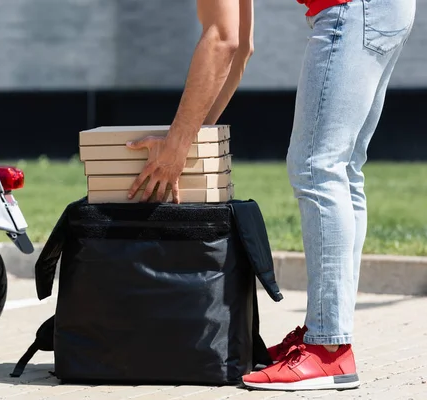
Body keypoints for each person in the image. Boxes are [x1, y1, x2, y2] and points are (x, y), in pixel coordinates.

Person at [126, 0, 416, 391]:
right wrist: (189, 142)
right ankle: (328, 334)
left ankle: (328, 349)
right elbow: (242, 45)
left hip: (353, 9)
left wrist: (179, 145)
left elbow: (223, 41)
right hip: (382, 9)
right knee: (343, 171)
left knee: (317, 168)